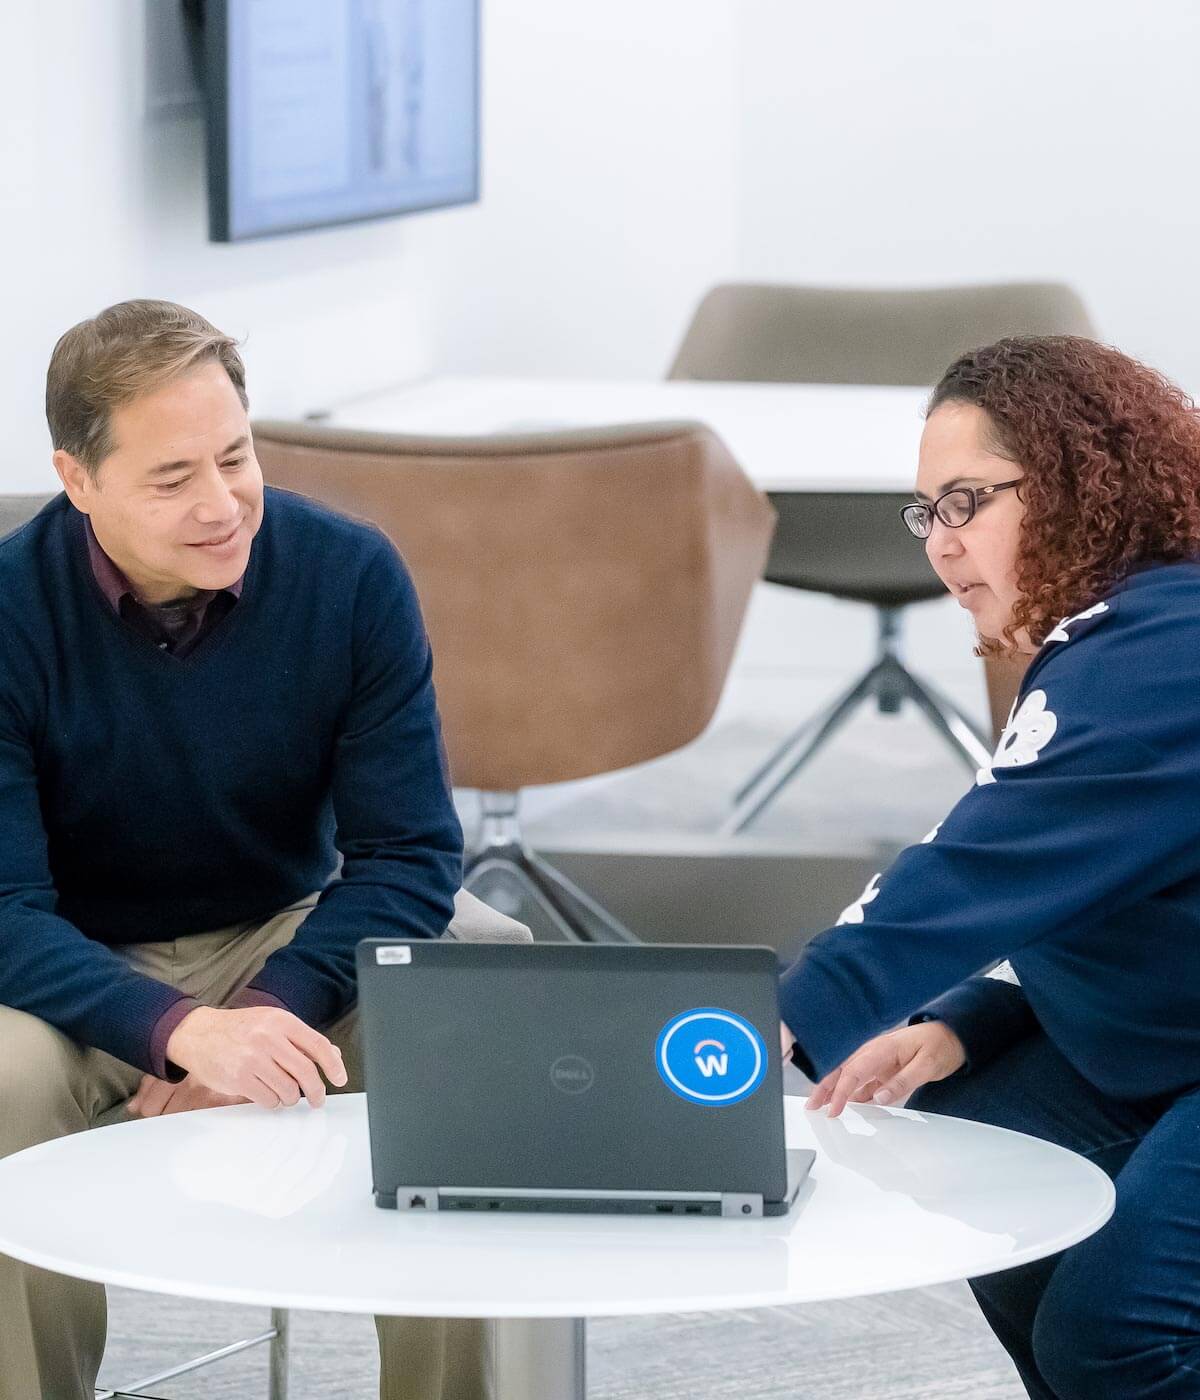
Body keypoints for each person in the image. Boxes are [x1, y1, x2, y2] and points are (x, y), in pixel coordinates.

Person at [0, 300, 495, 1400]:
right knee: (0, 1077)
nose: (224, 505)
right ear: (77, 480)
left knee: (475, 987)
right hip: (73, 963)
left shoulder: (349, 574)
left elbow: (410, 854)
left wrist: (263, 1017)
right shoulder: (7, 610)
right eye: (172, 477)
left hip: (281, 929)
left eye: (235, 455)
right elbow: (2, 906)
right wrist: (179, 1034)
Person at [778, 335, 1200, 1400]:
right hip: (1169, 1033)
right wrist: (966, 1014)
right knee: (989, 1157)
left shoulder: (1167, 651)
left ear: (1067, 485)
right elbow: (1085, 876)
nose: (941, 544)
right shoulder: (1117, 631)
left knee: (1115, 1331)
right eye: (928, 512)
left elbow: (974, 864)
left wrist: (769, 1018)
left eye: (967, 501)